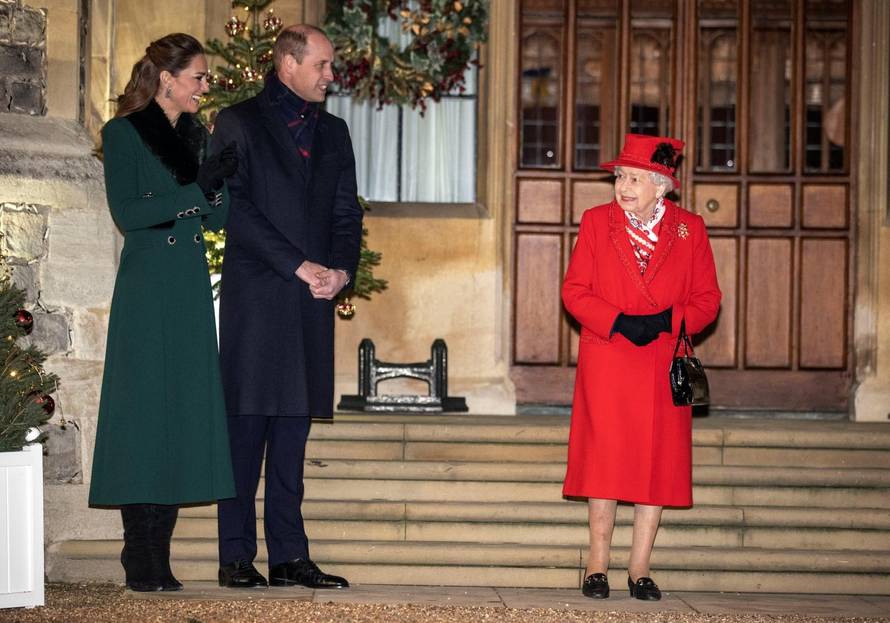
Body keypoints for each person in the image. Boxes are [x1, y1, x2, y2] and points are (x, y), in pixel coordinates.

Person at [210, 24, 363, 589]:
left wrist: (341, 273)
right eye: (322, 65)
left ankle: (289, 557)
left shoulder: (337, 132)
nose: (330, 75)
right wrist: (298, 264)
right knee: (245, 433)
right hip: (259, 300)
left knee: (293, 438)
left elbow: (347, 213)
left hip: (312, 304)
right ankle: (234, 557)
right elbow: (234, 207)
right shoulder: (238, 122)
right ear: (288, 65)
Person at [89, 33, 238, 592]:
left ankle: (161, 554)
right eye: (198, 77)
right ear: (168, 78)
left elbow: (216, 222)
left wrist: (219, 187)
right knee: (143, 414)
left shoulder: (196, 137)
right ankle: (140, 553)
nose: (205, 86)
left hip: (188, 289)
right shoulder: (123, 133)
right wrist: (196, 188)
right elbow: (129, 212)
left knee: (179, 412)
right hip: (148, 285)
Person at [561, 134, 721, 600]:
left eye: (634, 178)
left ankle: (640, 570)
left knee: (657, 465)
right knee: (605, 461)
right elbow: (574, 291)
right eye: (619, 177)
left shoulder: (690, 229)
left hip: (661, 358)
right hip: (609, 355)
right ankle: (596, 566)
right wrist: (618, 321)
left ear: (661, 185)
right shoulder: (596, 222)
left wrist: (668, 320)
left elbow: (709, 300)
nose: (623, 186)